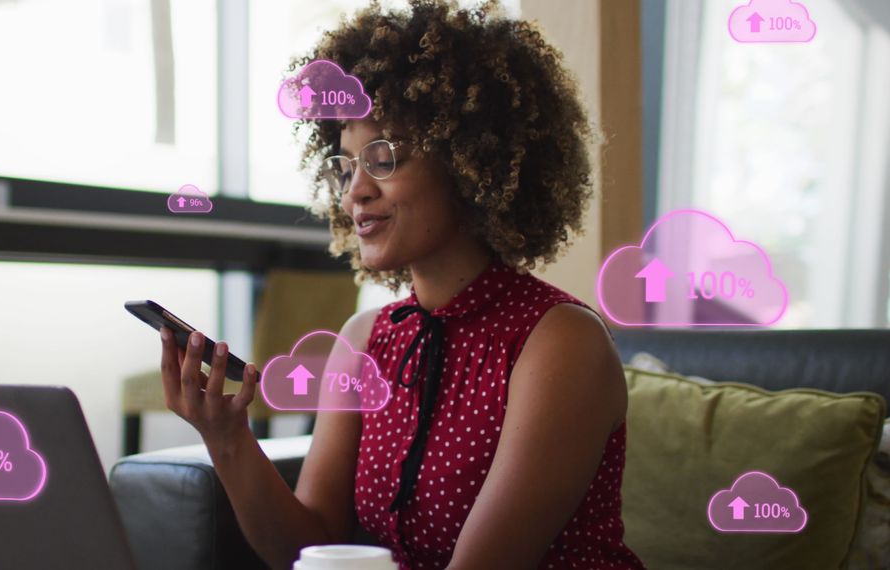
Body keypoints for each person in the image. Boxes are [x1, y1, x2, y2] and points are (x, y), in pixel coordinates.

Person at [158, 0, 645, 567]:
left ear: (470, 161)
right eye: (344, 166)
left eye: (383, 158)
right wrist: (227, 437)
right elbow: (307, 546)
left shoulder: (559, 341)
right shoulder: (364, 340)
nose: (355, 191)